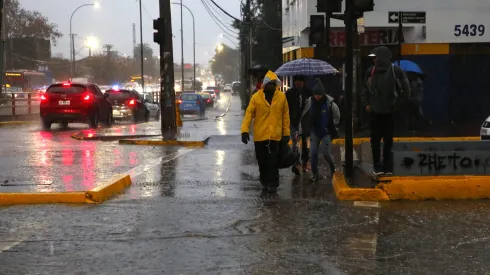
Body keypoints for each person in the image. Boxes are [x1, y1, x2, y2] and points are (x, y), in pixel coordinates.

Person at [363, 46, 410, 175]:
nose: (373, 60)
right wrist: (367, 104)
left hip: (389, 112)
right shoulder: (370, 72)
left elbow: (406, 91)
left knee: (388, 140)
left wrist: (397, 105)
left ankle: (387, 166)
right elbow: (365, 90)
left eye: (375, 57)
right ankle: (377, 165)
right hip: (375, 112)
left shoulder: (396, 71)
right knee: (375, 140)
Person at [241, 70, 290, 193]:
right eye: (269, 84)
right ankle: (264, 181)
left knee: (273, 161)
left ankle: (273, 184)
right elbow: (249, 114)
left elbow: (285, 116)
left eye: (274, 84)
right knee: (262, 161)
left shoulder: (282, 97)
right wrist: (244, 131)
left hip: (275, 136)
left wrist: (286, 133)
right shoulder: (256, 97)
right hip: (260, 136)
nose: (271, 87)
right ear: (265, 85)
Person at [299, 78, 340, 182]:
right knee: (313, 154)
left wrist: (332, 126)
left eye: (319, 94)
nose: (317, 96)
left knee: (326, 152)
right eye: (315, 94)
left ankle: (332, 167)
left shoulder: (329, 103)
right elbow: (303, 115)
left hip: (326, 132)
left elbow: (337, 116)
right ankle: (315, 174)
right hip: (314, 132)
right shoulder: (309, 102)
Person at [285, 75, 312, 175]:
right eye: (297, 81)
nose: (299, 83)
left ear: (303, 82)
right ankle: (296, 163)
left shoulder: (308, 93)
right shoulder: (289, 93)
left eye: (301, 81)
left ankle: (304, 162)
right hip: (294, 123)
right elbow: (285, 107)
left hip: (305, 124)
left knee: (305, 145)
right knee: (295, 143)